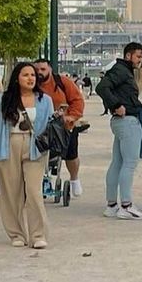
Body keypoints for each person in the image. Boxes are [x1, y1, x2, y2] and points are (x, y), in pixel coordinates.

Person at [0, 62, 54, 248]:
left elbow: (51, 126)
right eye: (26, 75)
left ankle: (38, 235)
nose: (31, 78)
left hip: (35, 148)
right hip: (9, 147)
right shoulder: (2, 100)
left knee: (34, 192)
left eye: (33, 75)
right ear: (16, 78)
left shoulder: (45, 100)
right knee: (11, 194)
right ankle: (16, 234)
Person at [96, 42, 142, 219]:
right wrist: (116, 105)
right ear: (128, 56)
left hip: (121, 121)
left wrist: (115, 105)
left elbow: (104, 87)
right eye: (138, 56)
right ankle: (126, 205)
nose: (141, 60)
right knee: (129, 163)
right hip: (127, 120)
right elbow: (102, 87)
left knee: (117, 163)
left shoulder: (122, 70)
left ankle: (112, 204)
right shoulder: (121, 71)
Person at [33, 60, 86, 198]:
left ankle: (74, 179)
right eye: (36, 69)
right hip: (39, 127)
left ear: (50, 69)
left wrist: (71, 116)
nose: (39, 72)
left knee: (71, 154)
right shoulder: (31, 83)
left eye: (43, 69)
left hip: (64, 126)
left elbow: (77, 100)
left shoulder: (63, 82)